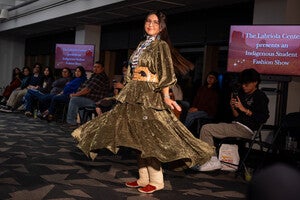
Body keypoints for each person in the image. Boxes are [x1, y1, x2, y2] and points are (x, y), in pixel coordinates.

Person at [72, 11, 214, 194]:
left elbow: (166, 73)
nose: (151, 24)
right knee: (137, 139)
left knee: (149, 139)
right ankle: (143, 178)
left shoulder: (161, 45)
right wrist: (125, 89)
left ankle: (157, 181)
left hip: (149, 95)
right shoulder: (141, 45)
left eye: (155, 22)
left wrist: (166, 96)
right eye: (148, 21)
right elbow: (132, 72)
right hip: (134, 94)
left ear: (161, 27)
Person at [194, 68, 269, 171]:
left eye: (246, 84)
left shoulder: (260, 96)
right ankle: (210, 159)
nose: (243, 86)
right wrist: (233, 106)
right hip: (237, 125)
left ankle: (212, 160)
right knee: (207, 128)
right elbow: (237, 116)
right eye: (242, 84)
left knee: (206, 129)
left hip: (246, 129)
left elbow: (263, 118)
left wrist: (245, 109)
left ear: (255, 82)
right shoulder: (242, 94)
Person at [65, 61, 110, 127]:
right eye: (94, 67)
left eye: (98, 67)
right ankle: (85, 122)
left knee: (74, 100)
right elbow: (84, 87)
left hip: (96, 101)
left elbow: (87, 89)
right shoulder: (94, 75)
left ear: (102, 69)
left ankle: (71, 122)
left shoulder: (100, 77)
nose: (95, 68)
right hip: (88, 98)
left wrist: (75, 95)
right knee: (77, 100)